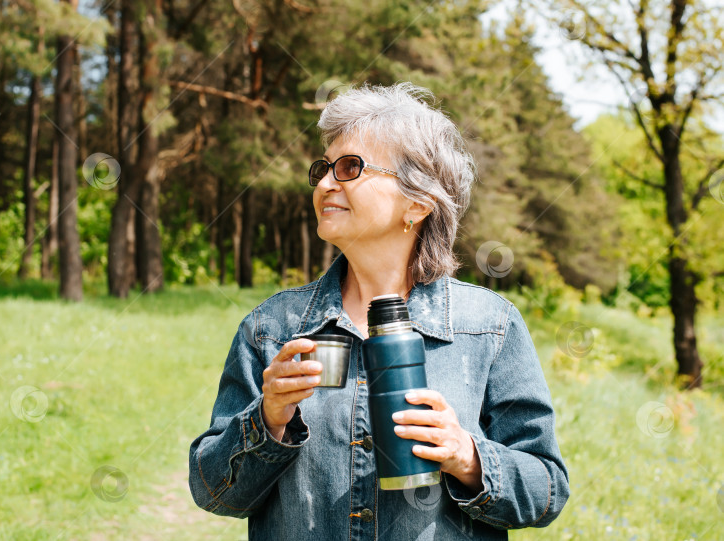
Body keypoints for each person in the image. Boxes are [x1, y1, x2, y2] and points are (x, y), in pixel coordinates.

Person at [189, 82, 569, 540]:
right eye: (323, 168)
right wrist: (268, 419)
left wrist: (467, 456)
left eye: (350, 167)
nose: (326, 183)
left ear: (417, 203)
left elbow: (547, 489)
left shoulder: (489, 327)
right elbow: (214, 491)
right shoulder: (272, 329)